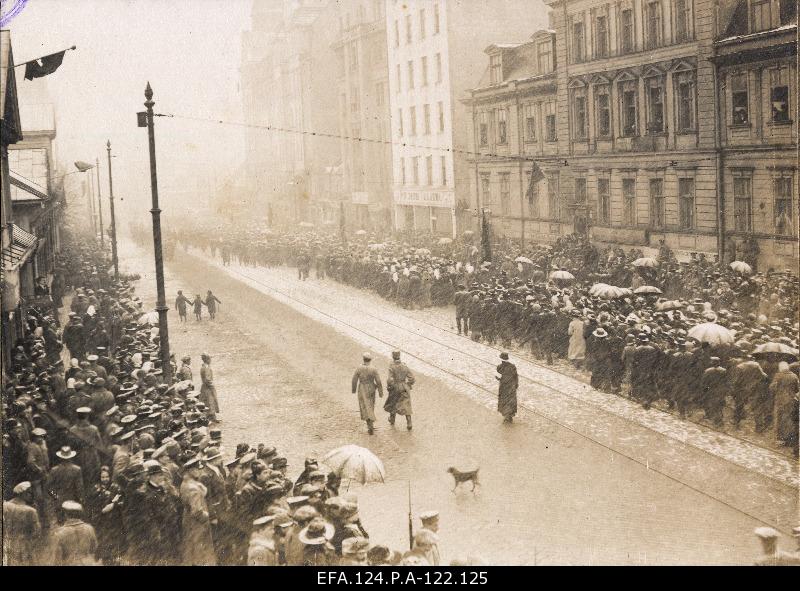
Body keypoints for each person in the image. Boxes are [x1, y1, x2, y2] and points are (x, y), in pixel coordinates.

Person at [180, 457, 217, 566]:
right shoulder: (194, 489)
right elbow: (196, 511)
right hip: (198, 524)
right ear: (191, 471)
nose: (200, 471)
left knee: (191, 549)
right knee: (200, 552)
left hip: (188, 521)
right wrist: (207, 517)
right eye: (198, 469)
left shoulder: (185, 483)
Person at [2, 481, 42, 565]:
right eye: (29, 493)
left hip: (6, 544)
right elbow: (37, 532)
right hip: (23, 546)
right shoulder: (30, 511)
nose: (31, 495)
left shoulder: (4, 506)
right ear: (22, 493)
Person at [48, 501, 99, 566]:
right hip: (87, 563)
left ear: (66, 514)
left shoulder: (60, 533)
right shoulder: (89, 528)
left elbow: (56, 558)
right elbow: (94, 548)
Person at [351, 352, 383, 435]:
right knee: (371, 405)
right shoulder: (373, 369)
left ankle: (369, 426)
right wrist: (380, 392)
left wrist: (354, 390)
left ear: (363, 359)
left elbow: (354, 379)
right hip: (371, 388)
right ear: (370, 360)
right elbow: (378, 381)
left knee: (364, 406)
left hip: (362, 388)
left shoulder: (359, 368)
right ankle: (370, 423)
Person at [771, 361, 799, 453]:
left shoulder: (778, 375)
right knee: (789, 420)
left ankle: (781, 440)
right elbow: (797, 389)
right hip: (791, 401)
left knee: (780, 420)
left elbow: (772, 388)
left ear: (780, 368)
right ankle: (789, 440)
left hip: (780, 401)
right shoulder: (794, 376)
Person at [385, 350, 415, 431]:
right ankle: (409, 423)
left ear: (393, 356)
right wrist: (408, 385)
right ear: (399, 356)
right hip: (404, 387)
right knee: (406, 405)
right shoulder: (405, 366)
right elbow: (412, 378)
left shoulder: (392, 367)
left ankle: (392, 419)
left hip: (395, 386)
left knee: (393, 403)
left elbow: (390, 379)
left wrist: (389, 387)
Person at [496, 352, 518, 424]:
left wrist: (499, 378)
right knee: (511, 400)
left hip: (504, 386)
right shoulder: (512, 366)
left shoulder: (499, 367)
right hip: (511, 386)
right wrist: (516, 385)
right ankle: (510, 415)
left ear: (501, 359)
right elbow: (516, 376)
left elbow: (498, 377)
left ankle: (506, 416)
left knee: (504, 400)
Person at [200, 353, 220, 422]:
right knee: (210, 401)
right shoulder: (206, 368)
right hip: (208, 387)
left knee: (208, 402)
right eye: (209, 359)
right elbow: (207, 379)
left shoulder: (204, 367)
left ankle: (212, 417)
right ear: (206, 359)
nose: (210, 360)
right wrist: (212, 386)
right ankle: (211, 417)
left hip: (205, 387)